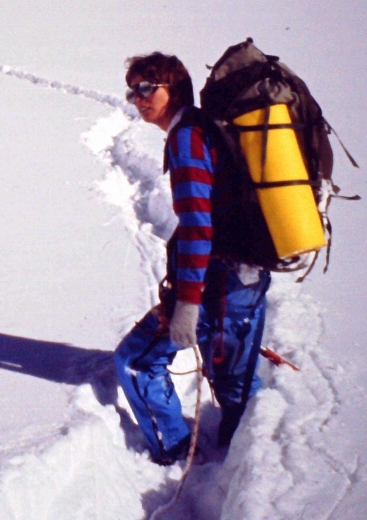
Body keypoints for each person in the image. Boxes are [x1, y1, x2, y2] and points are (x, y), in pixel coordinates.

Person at [108, 52, 271, 465]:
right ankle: (248, 469)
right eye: (133, 90)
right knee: (236, 385)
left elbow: (199, 225)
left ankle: (183, 458)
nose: (138, 98)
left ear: (174, 87)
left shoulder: (187, 138)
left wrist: (187, 303)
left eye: (148, 88)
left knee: (136, 363)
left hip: (222, 283)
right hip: (243, 277)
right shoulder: (200, 129)